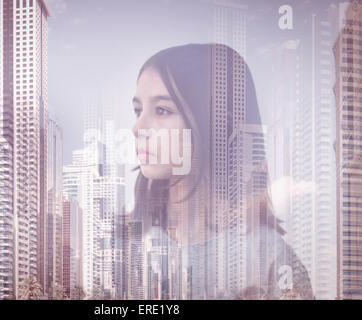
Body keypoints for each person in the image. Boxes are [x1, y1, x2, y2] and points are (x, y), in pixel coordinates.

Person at [128, 43, 313, 299]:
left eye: (162, 110)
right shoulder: (129, 250)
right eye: (138, 111)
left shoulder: (270, 258)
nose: (138, 127)